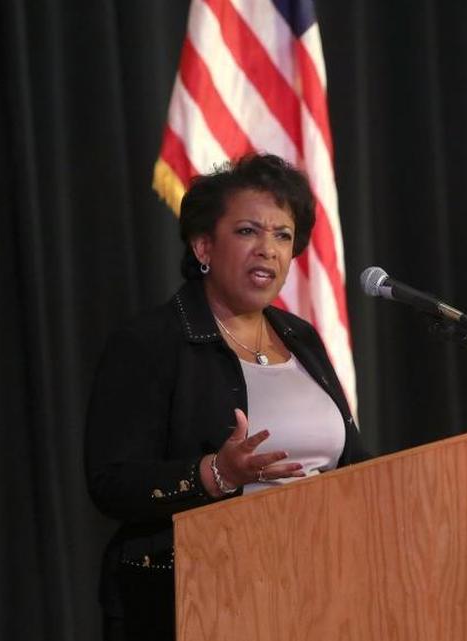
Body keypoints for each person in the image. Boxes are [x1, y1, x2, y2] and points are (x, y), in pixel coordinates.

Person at [84, 153, 369, 641]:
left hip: (317, 590)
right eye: (247, 232)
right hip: (195, 597)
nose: (269, 249)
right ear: (203, 246)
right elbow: (112, 482)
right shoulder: (152, 342)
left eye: (282, 235)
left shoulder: (302, 338)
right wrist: (217, 473)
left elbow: (357, 464)